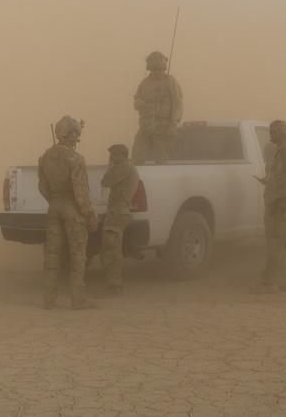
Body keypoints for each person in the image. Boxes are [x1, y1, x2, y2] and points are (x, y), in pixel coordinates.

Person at [38, 116, 98, 310]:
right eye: (76, 134)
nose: (77, 138)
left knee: (52, 255)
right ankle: (78, 299)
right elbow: (80, 190)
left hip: (54, 207)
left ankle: (49, 300)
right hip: (72, 209)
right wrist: (89, 212)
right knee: (78, 254)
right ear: (71, 134)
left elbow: (42, 186)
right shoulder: (75, 158)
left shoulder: (45, 157)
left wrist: (54, 201)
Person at [251, 120, 286, 294]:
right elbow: (283, 174)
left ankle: (269, 283)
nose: (270, 135)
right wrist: (268, 181)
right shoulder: (282, 149)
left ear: (282, 132)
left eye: (273, 132)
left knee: (276, 240)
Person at [97, 144, 139, 298]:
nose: (111, 158)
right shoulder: (127, 168)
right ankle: (117, 286)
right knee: (111, 250)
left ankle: (114, 287)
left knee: (111, 251)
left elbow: (106, 181)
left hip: (117, 212)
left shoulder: (124, 167)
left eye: (113, 155)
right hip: (118, 211)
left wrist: (111, 167)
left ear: (121, 155)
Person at [132, 51, 183, 165]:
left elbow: (178, 104)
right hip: (145, 126)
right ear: (150, 68)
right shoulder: (144, 83)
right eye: (154, 69)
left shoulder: (170, 82)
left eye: (159, 69)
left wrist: (173, 124)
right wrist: (138, 103)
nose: (157, 72)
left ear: (163, 68)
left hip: (163, 126)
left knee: (161, 160)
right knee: (137, 157)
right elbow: (136, 102)